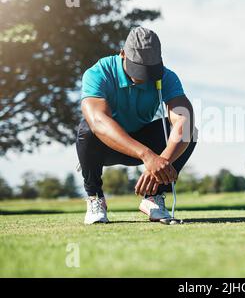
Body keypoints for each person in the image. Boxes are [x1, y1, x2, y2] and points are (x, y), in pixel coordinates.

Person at [76, 27, 197, 224]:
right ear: (122, 53)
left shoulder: (166, 76)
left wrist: (161, 163)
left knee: (190, 132)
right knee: (87, 129)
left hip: (142, 138)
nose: (143, 77)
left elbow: (185, 119)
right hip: (105, 146)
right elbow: (98, 121)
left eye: (149, 70)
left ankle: (153, 198)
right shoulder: (98, 72)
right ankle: (95, 198)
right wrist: (147, 156)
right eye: (137, 68)